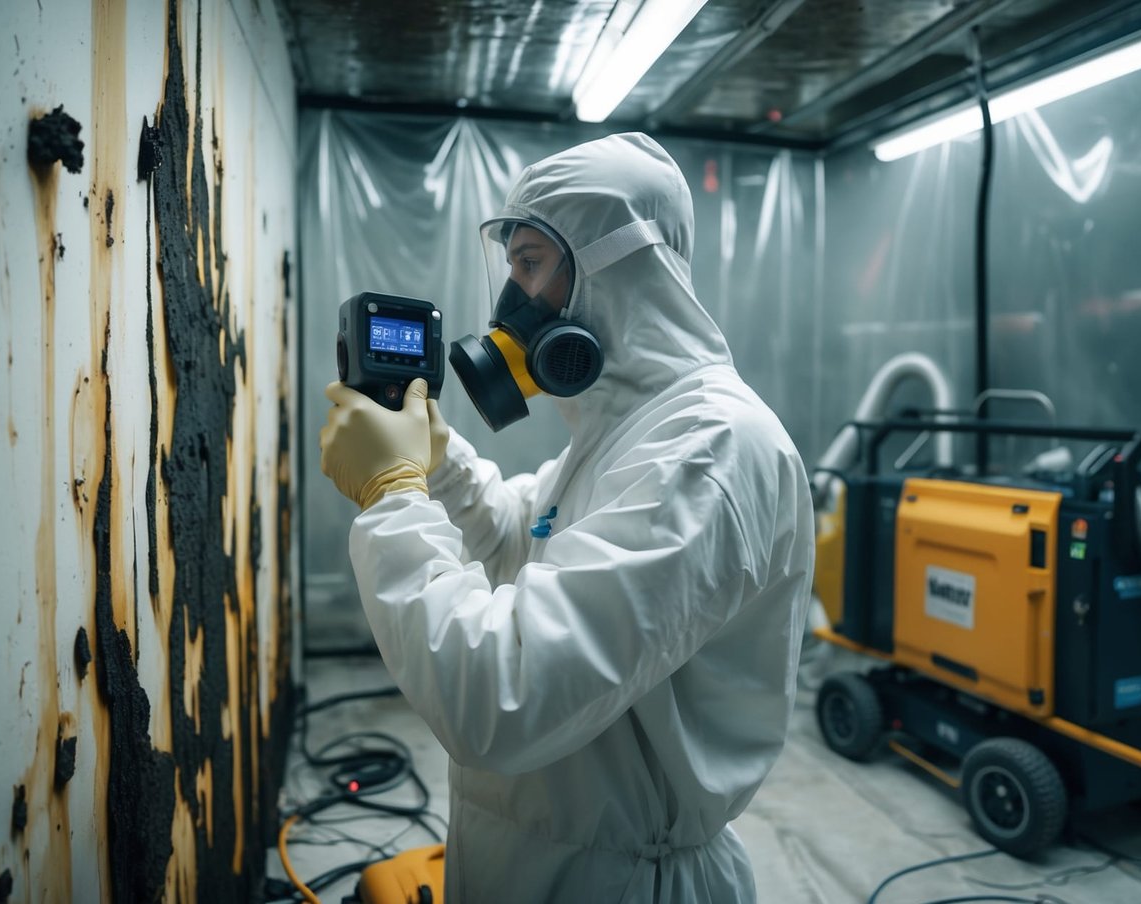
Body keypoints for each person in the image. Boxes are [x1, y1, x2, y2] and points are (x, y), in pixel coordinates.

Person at [319, 132, 813, 904]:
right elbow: (524, 541)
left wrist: (392, 494)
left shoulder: (710, 449)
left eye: (528, 265)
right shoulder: (626, 431)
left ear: (615, 270)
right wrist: (437, 461)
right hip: (539, 857)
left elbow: (502, 691)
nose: (510, 300)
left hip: (620, 881)